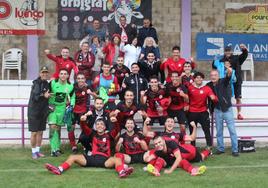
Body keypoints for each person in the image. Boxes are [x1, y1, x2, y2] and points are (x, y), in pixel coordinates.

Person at [45, 119, 134, 178]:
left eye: (101, 124)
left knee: (117, 159)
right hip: (92, 158)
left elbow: (117, 129)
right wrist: (82, 121)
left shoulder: (109, 135)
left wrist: (115, 122)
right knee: (73, 157)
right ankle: (59, 169)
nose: (99, 126)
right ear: (96, 127)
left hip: (105, 160)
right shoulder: (93, 134)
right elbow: (84, 127)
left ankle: (122, 172)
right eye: (97, 124)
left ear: (104, 127)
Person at [207, 69, 239, 157]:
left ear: (218, 76)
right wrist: (210, 109)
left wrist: (229, 72)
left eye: (215, 75)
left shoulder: (223, 81)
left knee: (232, 130)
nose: (213, 77)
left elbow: (228, 77)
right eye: (212, 75)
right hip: (217, 110)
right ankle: (220, 149)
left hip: (227, 109)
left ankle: (235, 150)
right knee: (219, 131)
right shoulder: (208, 85)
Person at [47, 69, 75, 156]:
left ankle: (57, 148)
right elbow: (45, 92)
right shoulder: (52, 83)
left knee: (58, 129)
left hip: (62, 109)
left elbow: (73, 97)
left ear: (67, 76)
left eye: (65, 74)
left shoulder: (70, 86)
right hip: (52, 108)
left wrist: (71, 105)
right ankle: (53, 149)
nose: (63, 75)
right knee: (52, 127)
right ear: (58, 75)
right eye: (61, 73)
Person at [216, 45, 248, 120]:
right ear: (224, 52)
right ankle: (225, 114)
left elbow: (244, 55)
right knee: (226, 98)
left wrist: (244, 50)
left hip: (236, 81)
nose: (228, 52)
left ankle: (239, 113)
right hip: (226, 82)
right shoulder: (221, 60)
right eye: (226, 51)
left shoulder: (237, 58)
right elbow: (216, 68)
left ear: (232, 51)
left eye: (229, 50)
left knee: (238, 97)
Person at [187, 72, 218, 148]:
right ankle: (193, 148)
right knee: (192, 131)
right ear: (194, 79)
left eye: (200, 78)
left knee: (207, 131)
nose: (199, 79)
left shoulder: (207, 88)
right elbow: (185, 99)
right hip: (192, 113)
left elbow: (215, 98)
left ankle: (209, 147)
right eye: (197, 77)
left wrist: (214, 98)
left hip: (203, 112)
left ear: (202, 79)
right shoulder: (190, 88)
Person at [69, 73, 96, 153]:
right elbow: (67, 97)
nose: (80, 80)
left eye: (82, 78)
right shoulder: (73, 87)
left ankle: (85, 145)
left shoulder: (88, 86)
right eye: (79, 78)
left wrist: (91, 93)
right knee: (71, 128)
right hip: (73, 111)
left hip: (84, 111)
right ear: (76, 80)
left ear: (85, 79)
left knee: (84, 129)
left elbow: (97, 97)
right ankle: (73, 146)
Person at [28, 66, 50, 159]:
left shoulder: (47, 83)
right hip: (34, 112)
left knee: (40, 132)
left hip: (42, 111)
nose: (44, 74)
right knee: (34, 133)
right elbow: (36, 97)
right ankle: (33, 152)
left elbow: (48, 95)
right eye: (43, 72)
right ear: (40, 73)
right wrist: (44, 95)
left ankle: (38, 151)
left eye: (46, 72)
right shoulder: (36, 83)